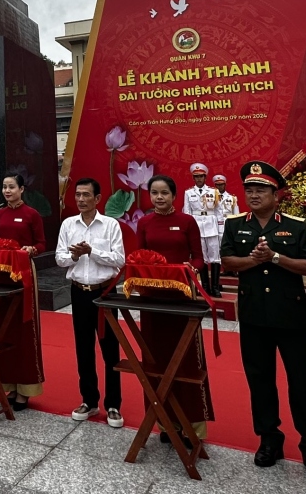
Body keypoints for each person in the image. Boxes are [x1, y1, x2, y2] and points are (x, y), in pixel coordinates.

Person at [221, 161, 306, 483]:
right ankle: (269, 440)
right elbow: (227, 261)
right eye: (249, 190)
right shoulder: (235, 224)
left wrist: (277, 258)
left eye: (261, 190)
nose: (254, 195)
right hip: (254, 315)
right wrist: (253, 259)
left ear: (275, 194)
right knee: (260, 380)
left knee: (303, 384)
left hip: (290, 316)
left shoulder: (295, 227)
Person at [136, 174, 213, 443]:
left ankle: (192, 424)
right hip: (152, 299)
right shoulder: (144, 223)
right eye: (154, 193)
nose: (159, 198)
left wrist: (190, 269)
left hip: (181, 297)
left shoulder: (186, 221)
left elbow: (200, 259)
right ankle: (167, 424)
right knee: (156, 357)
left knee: (186, 358)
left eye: (164, 193)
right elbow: (139, 256)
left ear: (173, 195)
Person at [56, 177, 126, 428]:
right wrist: (74, 256)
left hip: (104, 293)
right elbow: (59, 258)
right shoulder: (68, 224)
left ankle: (113, 404)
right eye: (78, 195)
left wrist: (91, 252)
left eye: (86, 195)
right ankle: (89, 400)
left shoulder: (110, 225)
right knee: (83, 347)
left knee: (110, 349)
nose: (81, 200)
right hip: (79, 292)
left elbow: (119, 260)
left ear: (97, 199)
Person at [0, 173, 45, 409]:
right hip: (1, 273)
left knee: (23, 326)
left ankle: (26, 389)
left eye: (12, 187)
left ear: (22, 189)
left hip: (23, 275)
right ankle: (7, 385)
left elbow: (42, 244)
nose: (7, 191)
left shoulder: (32, 214)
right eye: (4, 187)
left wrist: (31, 249)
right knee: (2, 328)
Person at [183, 163, 220, 298]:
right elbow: (187, 212)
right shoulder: (188, 193)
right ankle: (204, 286)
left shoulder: (213, 192)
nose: (199, 179)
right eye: (196, 177)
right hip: (197, 225)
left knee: (215, 257)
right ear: (193, 178)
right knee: (202, 257)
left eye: (201, 176)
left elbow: (218, 211)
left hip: (212, 225)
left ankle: (215, 287)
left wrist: (220, 229)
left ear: (205, 177)